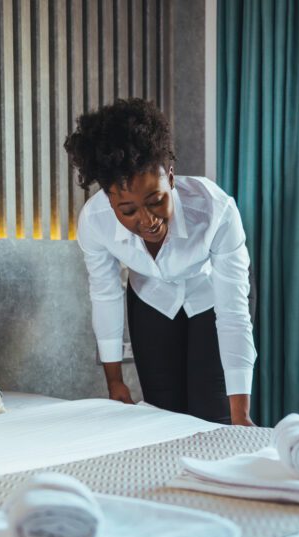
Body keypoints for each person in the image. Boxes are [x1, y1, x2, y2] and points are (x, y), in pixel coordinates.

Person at [64, 98, 256, 426]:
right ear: (110, 199)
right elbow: (105, 294)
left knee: (215, 415)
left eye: (155, 200)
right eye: (128, 210)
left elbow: (233, 315)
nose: (147, 219)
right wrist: (115, 382)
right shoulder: (94, 221)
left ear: (170, 176)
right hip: (150, 298)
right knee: (162, 417)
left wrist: (241, 416)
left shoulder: (216, 210)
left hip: (208, 296)